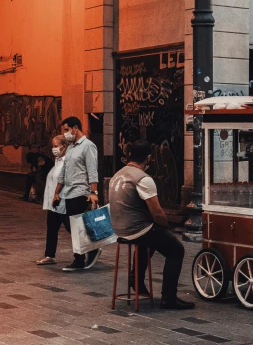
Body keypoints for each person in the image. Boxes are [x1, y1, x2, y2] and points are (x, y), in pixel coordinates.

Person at [109, 140, 194, 310]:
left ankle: (136, 278)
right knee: (176, 249)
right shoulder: (143, 179)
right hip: (136, 229)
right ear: (148, 158)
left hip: (118, 229)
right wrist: (167, 226)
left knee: (152, 237)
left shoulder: (119, 173)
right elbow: (157, 213)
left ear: (129, 156)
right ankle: (168, 298)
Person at [53, 116, 102, 272]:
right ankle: (92, 247)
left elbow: (92, 170)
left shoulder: (88, 146)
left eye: (67, 130)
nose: (66, 133)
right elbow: (64, 171)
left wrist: (93, 192)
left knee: (75, 226)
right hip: (68, 192)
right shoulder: (71, 147)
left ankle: (79, 259)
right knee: (71, 225)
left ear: (75, 128)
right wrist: (57, 192)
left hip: (80, 192)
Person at [37, 136, 70, 265]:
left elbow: (63, 180)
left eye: (56, 146)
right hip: (54, 202)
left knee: (71, 228)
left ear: (64, 146)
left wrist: (57, 194)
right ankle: (49, 254)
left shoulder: (68, 161)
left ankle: (89, 250)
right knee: (52, 228)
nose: (54, 149)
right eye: (53, 146)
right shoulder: (57, 161)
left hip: (63, 199)